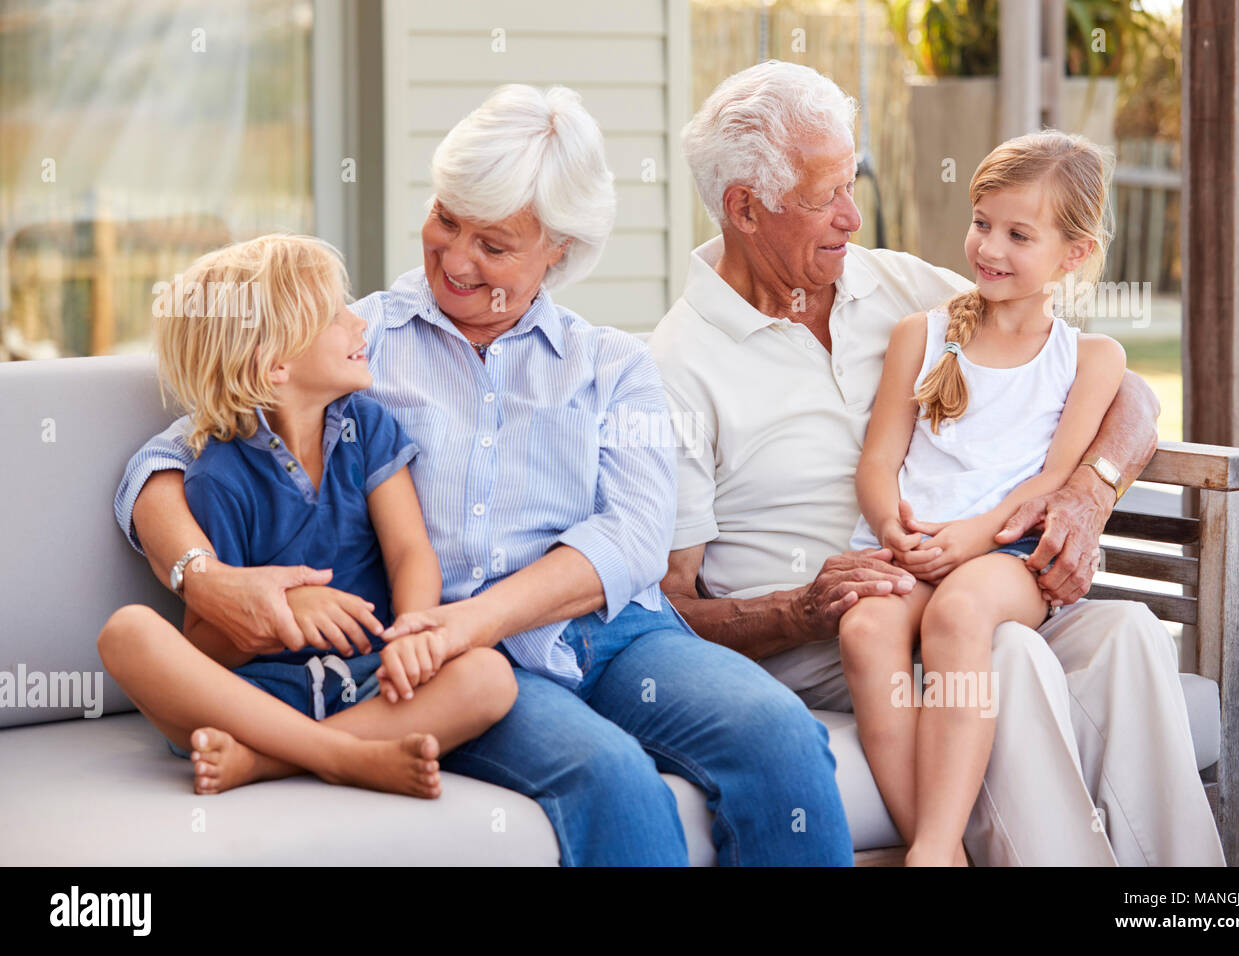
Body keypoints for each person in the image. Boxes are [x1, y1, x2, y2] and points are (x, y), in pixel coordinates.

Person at [113, 85, 854, 865]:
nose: (457, 259)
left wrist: (478, 618)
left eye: (494, 246)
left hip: (614, 639)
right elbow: (164, 458)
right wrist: (205, 579)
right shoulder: (361, 344)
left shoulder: (612, 365)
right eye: (446, 220)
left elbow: (633, 535)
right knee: (612, 779)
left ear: (557, 251)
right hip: (456, 661)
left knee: (779, 736)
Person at [652, 60, 1226, 865]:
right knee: (1012, 657)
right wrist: (799, 608)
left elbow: (1116, 388)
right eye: (827, 199)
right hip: (833, 644)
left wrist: (1086, 496)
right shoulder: (675, 369)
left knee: (1129, 630)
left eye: (852, 184)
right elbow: (666, 609)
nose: (855, 218)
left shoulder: (894, 285)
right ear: (746, 208)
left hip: (976, 574)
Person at [98, 234, 517, 798]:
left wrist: (414, 632)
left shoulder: (367, 428)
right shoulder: (216, 475)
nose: (359, 324)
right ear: (274, 365)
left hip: (370, 678)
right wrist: (280, 615)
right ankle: (343, 756)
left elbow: (410, 551)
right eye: (335, 316)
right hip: (257, 698)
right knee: (129, 634)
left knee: (487, 677)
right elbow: (205, 644)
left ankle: (266, 764)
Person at [841, 131, 1131, 865]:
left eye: (1018, 234)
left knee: (960, 612)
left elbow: (1047, 484)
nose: (988, 246)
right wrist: (891, 527)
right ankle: (938, 846)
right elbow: (879, 461)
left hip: (1006, 553)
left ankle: (932, 848)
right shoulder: (923, 335)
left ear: (1073, 253)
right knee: (867, 630)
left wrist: (971, 539)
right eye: (981, 222)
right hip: (915, 542)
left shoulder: (1089, 359)